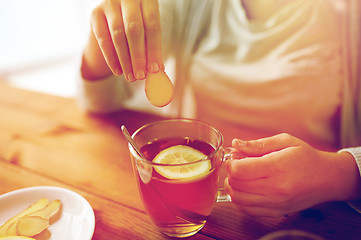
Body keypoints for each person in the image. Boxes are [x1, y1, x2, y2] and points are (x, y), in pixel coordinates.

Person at [77, 0, 361, 217]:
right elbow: (99, 103)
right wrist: (104, 31)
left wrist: (339, 174)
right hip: (190, 208)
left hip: (318, 216)